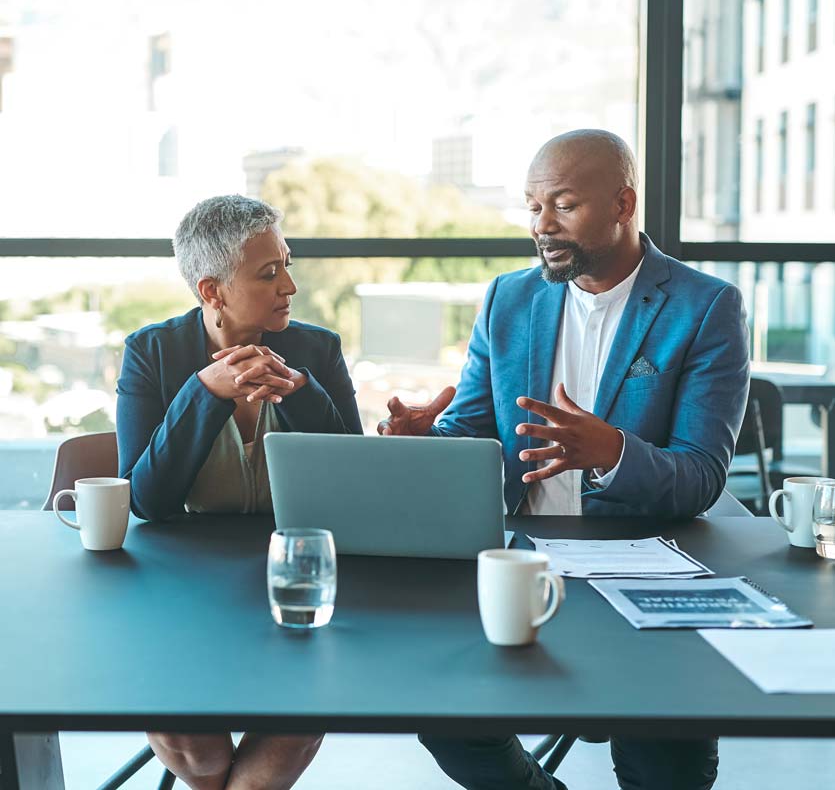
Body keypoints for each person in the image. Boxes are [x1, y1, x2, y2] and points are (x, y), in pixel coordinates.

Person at [378, 130, 749, 790]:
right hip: (524, 560)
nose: (540, 225)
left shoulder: (703, 306)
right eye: (531, 206)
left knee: (665, 761)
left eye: (563, 204)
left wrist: (611, 452)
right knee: (446, 717)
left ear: (622, 203)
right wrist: (420, 449)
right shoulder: (506, 300)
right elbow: (472, 438)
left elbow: (699, 475)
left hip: (647, 564)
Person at [117, 194, 362, 790]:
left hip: (294, 580)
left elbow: (354, 478)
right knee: (194, 747)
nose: (290, 286)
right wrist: (204, 392)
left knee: (288, 735)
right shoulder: (152, 353)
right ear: (212, 290)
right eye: (268, 272)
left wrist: (301, 391)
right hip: (177, 586)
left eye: (288, 264)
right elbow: (146, 500)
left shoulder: (318, 350)